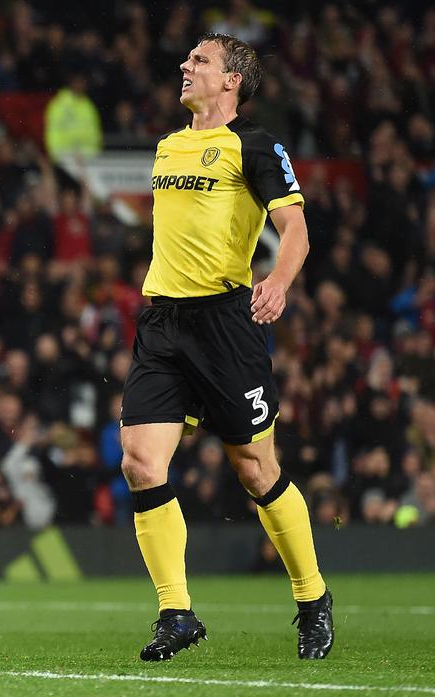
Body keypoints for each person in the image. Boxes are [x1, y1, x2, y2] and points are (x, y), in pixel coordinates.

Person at [119, 33, 332, 662]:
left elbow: (295, 230)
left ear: (232, 79)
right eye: (185, 58)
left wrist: (280, 282)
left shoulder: (258, 146)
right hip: (162, 323)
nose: (185, 66)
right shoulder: (167, 146)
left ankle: (312, 597)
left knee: (255, 470)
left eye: (200, 61)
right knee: (140, 462)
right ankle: (176, 613)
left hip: (225, 324)